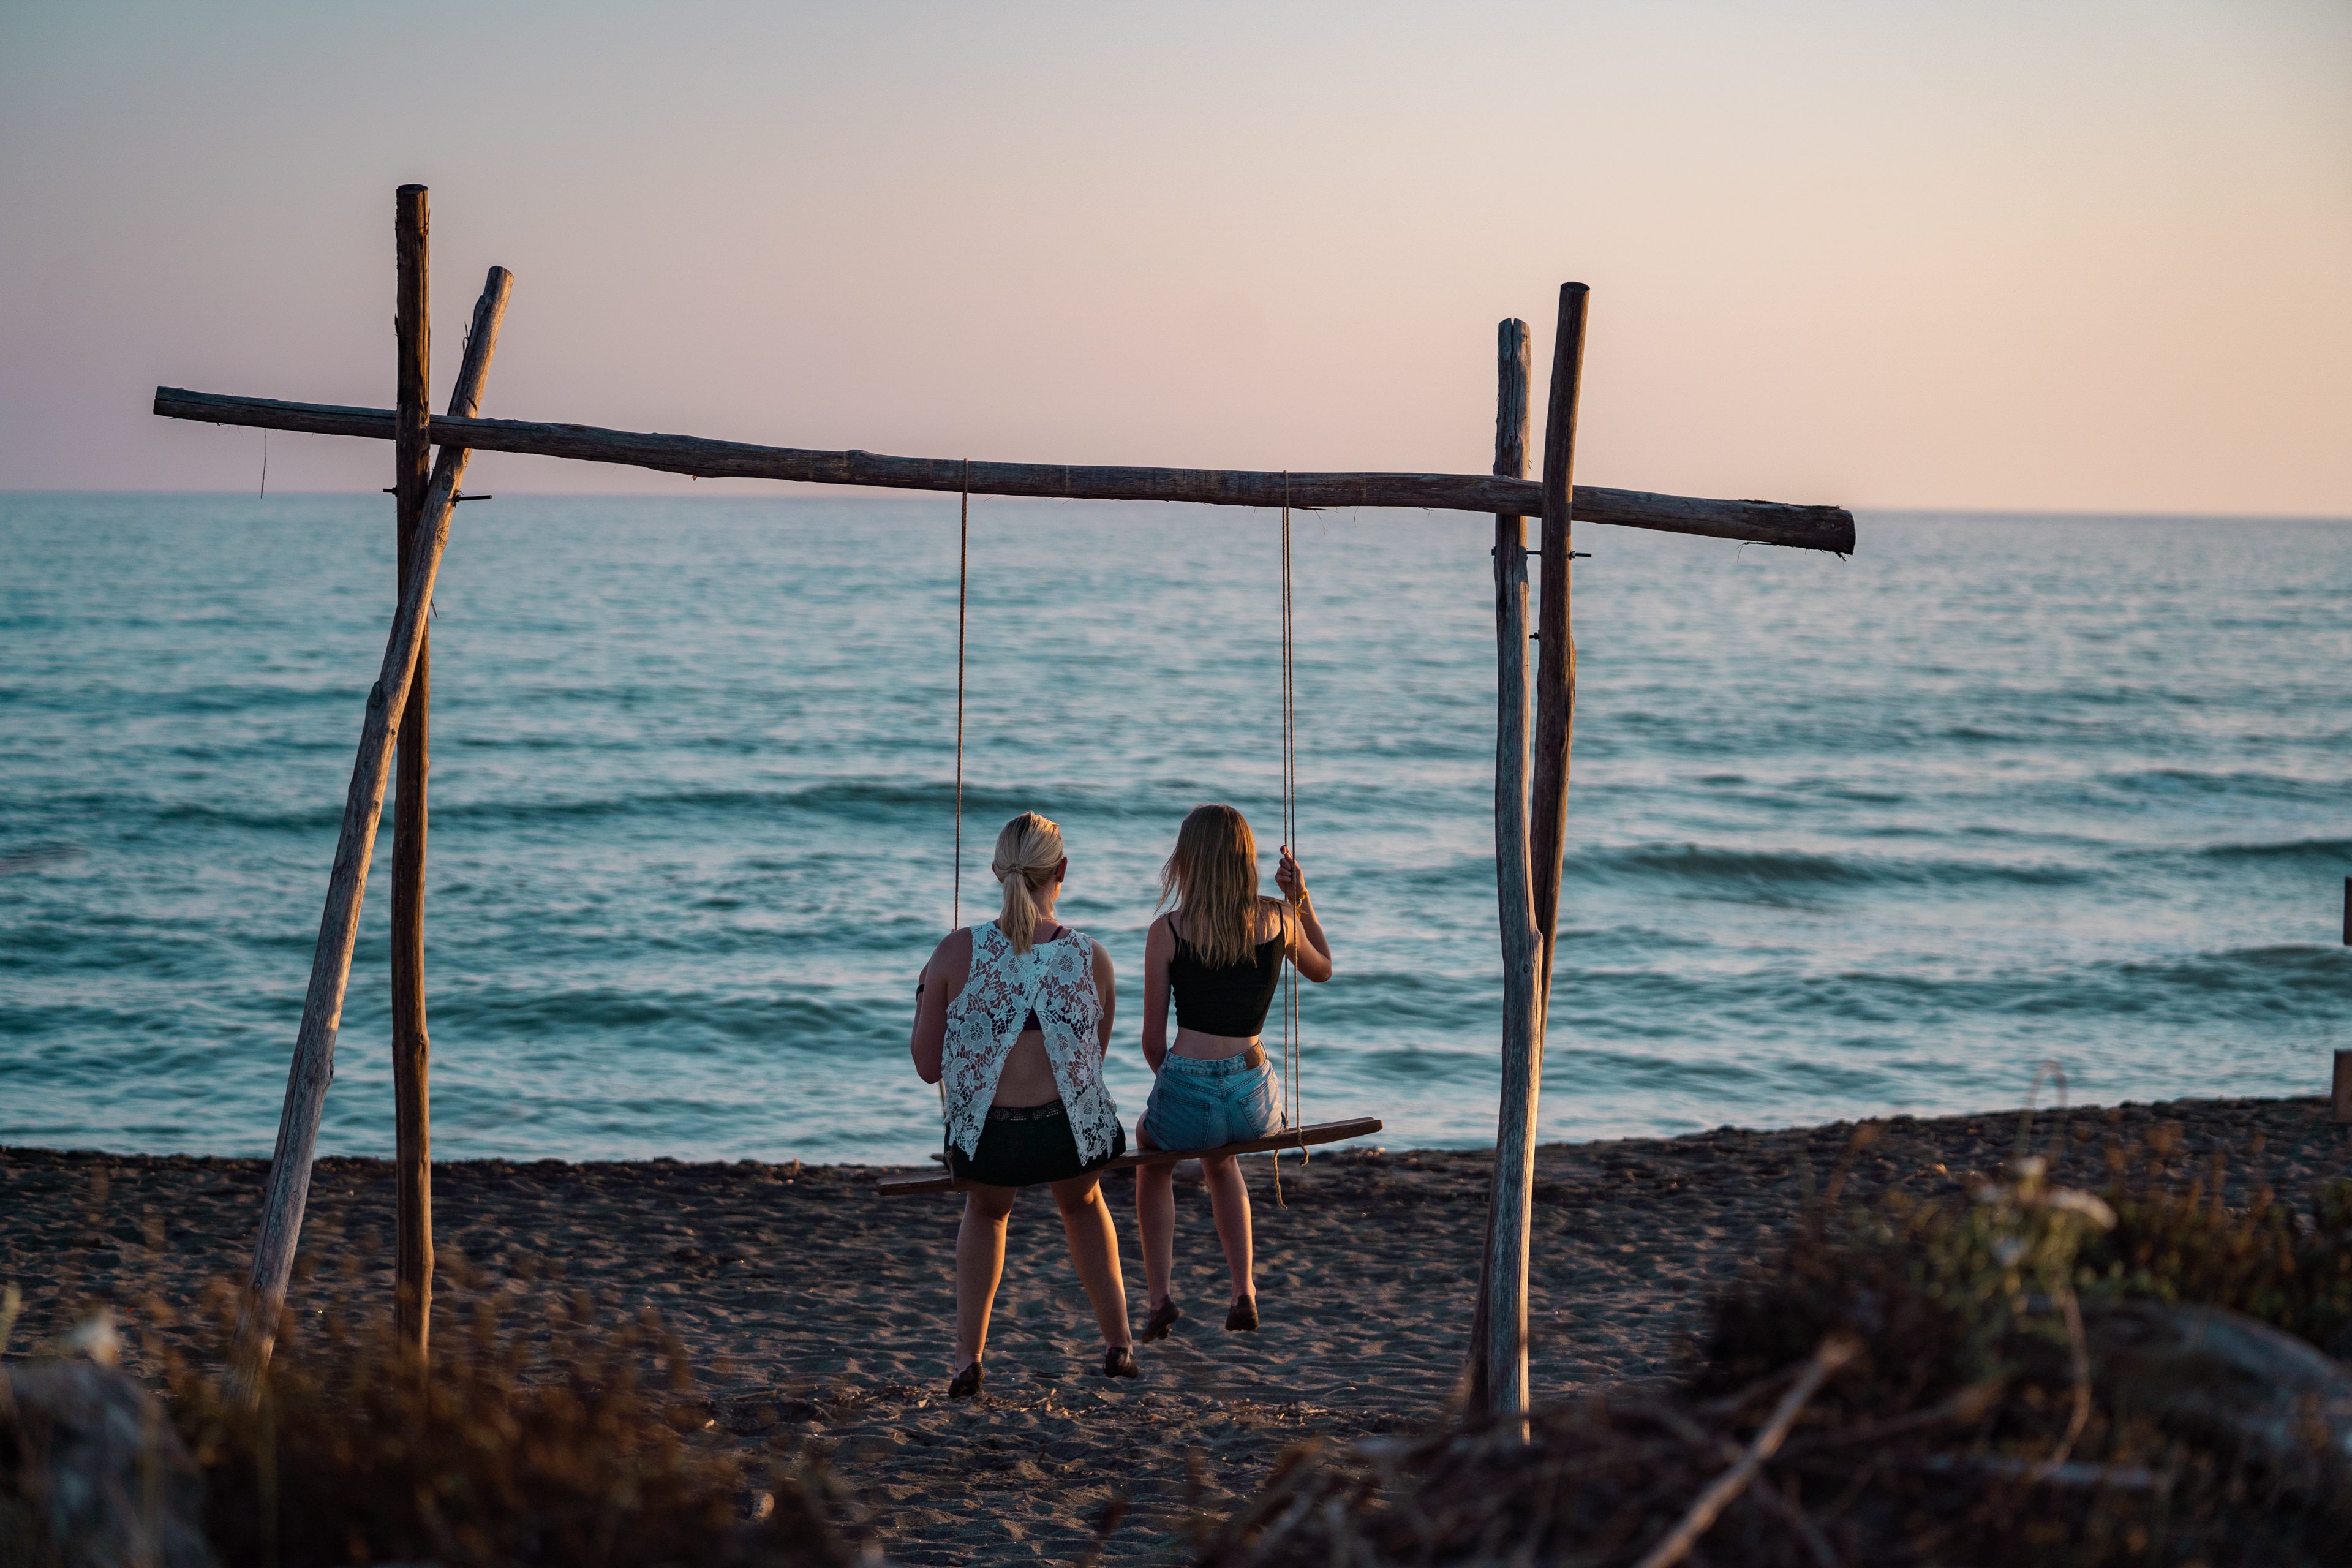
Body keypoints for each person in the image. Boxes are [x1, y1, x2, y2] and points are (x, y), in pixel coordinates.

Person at [910, 810, 1136, 1398]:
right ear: (1062, 871)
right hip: (1068, 1139)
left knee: (987, 1212)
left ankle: (968, 1358)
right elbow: (1092, 1065)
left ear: (994, 872)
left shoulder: (955, 953)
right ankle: (1119, 1343)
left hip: (992, 1144)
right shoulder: (1094, 958)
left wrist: (924, 989)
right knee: (1083, 1202)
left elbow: (927, 1066)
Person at [1133, 804, 1332, 1338]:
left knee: (1152, 1156)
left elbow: (1153, 1042)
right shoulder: (1279, 919)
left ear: (1188, 860)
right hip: (1254, 1098)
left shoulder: (1167, 931)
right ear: (1246, 860)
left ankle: (1159, 1300)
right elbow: (1325, 969)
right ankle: (1243, 1290)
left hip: (1188, 1084)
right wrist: (1302, 901)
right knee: (1222, 1161)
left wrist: (1178, 1089)